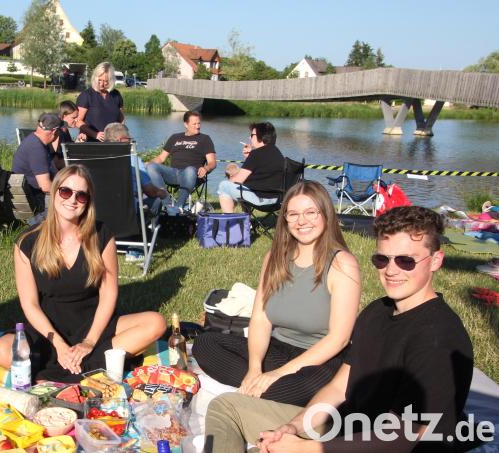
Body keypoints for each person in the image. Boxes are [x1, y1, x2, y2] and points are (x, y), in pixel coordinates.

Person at [205, 206, 474, 453]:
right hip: (346, 428)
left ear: (436, 260)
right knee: (227, 407)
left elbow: (408, 436)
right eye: (382, 259)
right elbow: (338, 388)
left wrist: (306, 449)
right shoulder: (377, 311)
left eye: (406, 261)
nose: (391, 270)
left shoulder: (439, 338)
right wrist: (296, 427)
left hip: (384, 446)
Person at [0, 165, 166, 382]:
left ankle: (64, 369)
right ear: (54, 192)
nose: (72, 200)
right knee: (0, 350)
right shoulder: (27, 242)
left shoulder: (101, 235)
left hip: (92, 325)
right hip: (47, 329)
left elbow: (108, 295)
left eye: (81, 195)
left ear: (88, 201)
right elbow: (30, 305)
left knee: (156, 322)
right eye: (65, 191)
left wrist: (89, 342)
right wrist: (60, 345)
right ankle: (88, 369)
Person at [193, 180, 360, 407]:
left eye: (311, 212)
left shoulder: (342, 264)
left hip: (319, 359)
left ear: (326, 214)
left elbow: (338, 339)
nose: (302, 221)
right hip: (279, 348)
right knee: (204, 344)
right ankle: (258, 388)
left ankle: (262, 392)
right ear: (285, 219)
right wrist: (254, 368)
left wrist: (277, 374)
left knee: (311, 387)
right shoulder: (274, 257)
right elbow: (261, 319)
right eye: (293, 214)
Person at [147, 111, 217, 211]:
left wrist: (206, 168)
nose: (198, 126)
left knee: (190, 170)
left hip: (193, 174)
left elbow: (212, 162)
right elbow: (161, 158)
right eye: (194, 124)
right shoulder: (175, 137)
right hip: (173, 173)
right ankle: (167, 204)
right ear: (186, 124)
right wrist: (146, 163)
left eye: (199, 123)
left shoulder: (205, 139)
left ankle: (178, 206)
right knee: (151, 167)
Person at [218, 121, 285, 213]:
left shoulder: (256, 154)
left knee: (224, 186)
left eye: (252, 135)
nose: (249, 137)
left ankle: (229, 222)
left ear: (261, 137)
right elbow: (261, 174)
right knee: (241, 187)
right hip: (278, 200)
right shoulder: (277, 153)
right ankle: (246, 220)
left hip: (261, 200)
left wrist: (229, 181)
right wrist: (249, 158)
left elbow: (238, 180)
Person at [103, 122, 168, 214]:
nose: (130, 142)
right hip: (126, 216)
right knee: (157, 200)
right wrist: (162, 192)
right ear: (122, 140)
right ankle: (148, 227)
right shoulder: (133, 159)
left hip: (98, 216)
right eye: (129, 139)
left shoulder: (94, 159)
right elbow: (150, 191)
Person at [11, 112, 62, 214]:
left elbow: (53, 165)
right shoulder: (36, 148)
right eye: (59, 131)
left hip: (34, 193)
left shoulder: (37, 140)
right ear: (54, 131)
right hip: (35, 198)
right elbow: (45, 186)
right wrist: (66, 191)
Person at [77, 62, 124, 142]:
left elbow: (121, 120)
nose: (101, 84)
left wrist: (122, 135)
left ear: (111, 80)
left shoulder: (116, 95)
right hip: (90, 141)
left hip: (113, 142)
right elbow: (78, 121)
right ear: (95, 78)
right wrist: (95, 134)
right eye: (99, 80)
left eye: (105, 81)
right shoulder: (86, 95)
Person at [50, 100, 83, 170]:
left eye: (77, 117)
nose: (77, 120)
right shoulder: (57, 134)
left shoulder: (65, 130)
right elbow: (56, 164)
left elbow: (68, 152)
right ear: (63, 117)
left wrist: (77, 143)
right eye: (74, 118)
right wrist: (79, 160)